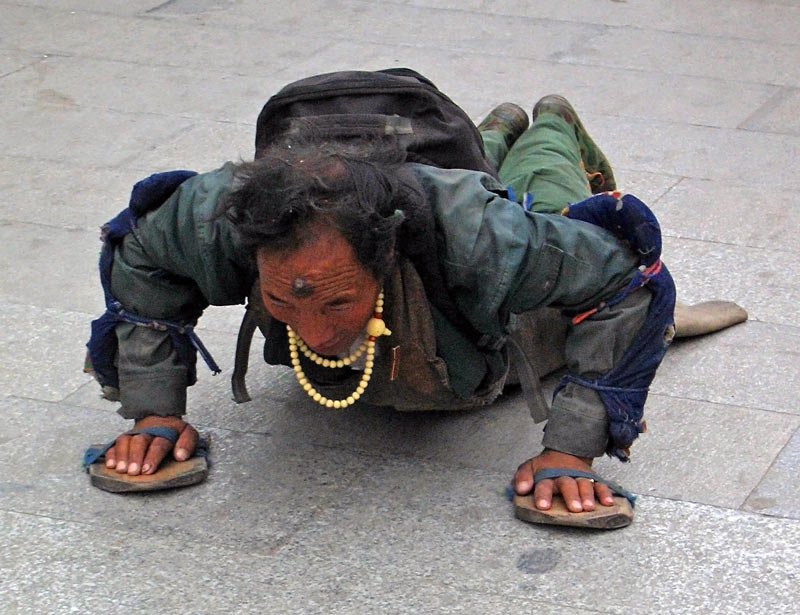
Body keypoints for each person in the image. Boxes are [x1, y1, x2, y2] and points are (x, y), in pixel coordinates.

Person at [84, 93, 677, 527]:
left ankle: (549, 122)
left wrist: (571, 447)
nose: (313, 334)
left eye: (339, 300)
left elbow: (625, 277)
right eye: (283, 300)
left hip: (478, 229)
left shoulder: (486, 240)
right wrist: (154, 413)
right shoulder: (217, 216)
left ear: (385, 254)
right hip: (426, 185)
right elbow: (139, 253)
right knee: (479, 176)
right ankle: (493, 130)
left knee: (547, 186)